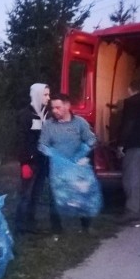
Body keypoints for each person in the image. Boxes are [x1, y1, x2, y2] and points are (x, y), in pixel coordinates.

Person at [39, 92, 98, 234]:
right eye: (52, 108)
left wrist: (83, 152)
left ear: (67, 106)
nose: (54, 111)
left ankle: (86, 227)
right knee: (55, 199)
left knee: (81, 196)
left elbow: (91, 140)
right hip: (58, 170)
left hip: (77, 168)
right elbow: (42, 144)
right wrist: (52, 153)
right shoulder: (48, 125)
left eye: (58, 107)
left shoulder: (80, 123)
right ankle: (56, 230)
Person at [15, 83, 56, 233]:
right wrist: (24, 162)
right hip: (30, 163)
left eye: (49, 94)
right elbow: (20, 140)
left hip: (43, 161)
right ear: (37, 95)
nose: (48, 98)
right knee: (25, 194)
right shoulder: (25, 115)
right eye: (45, 95)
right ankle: (19, 226)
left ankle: (31, 222)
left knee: (36, 194)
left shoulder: (47, 115)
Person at [116, 80, 140, 225]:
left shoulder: (130, 102)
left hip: (133, 144)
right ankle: (135, 207)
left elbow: (128, 123)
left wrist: (121, 144)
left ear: (129, 89)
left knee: (131, 177)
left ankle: (132, 211)